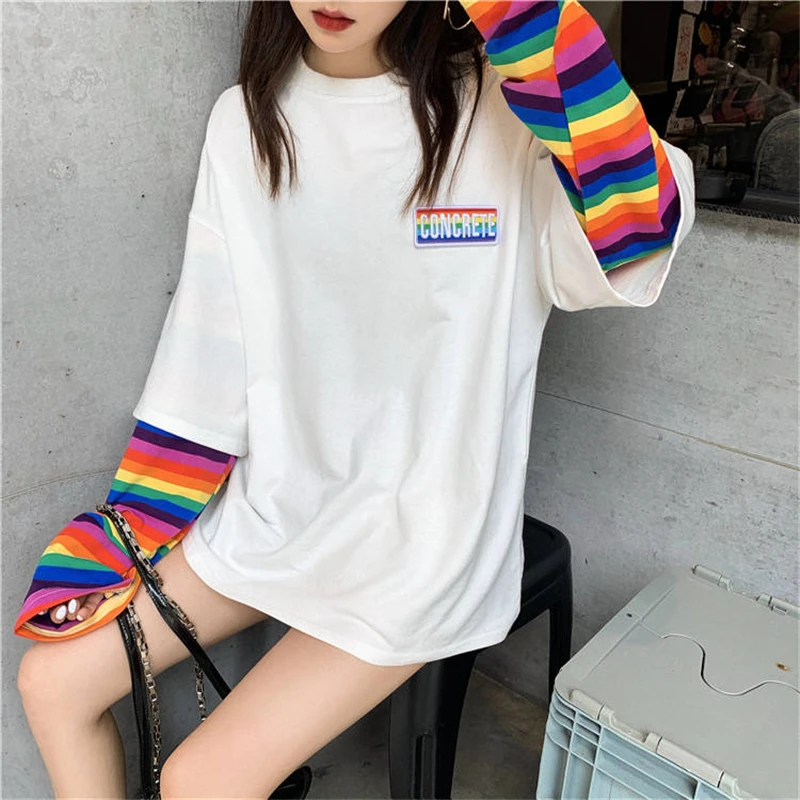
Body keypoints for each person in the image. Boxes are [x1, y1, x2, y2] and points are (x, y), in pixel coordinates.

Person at [15, 1, 695, 798]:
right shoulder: (245, 121)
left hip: (423, 548)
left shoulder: (503, 113)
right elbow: (209, 349)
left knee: (201, 781)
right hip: (280, 513)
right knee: (50, 682)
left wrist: (527, 21)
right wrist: (133, 523)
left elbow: (640, 231)